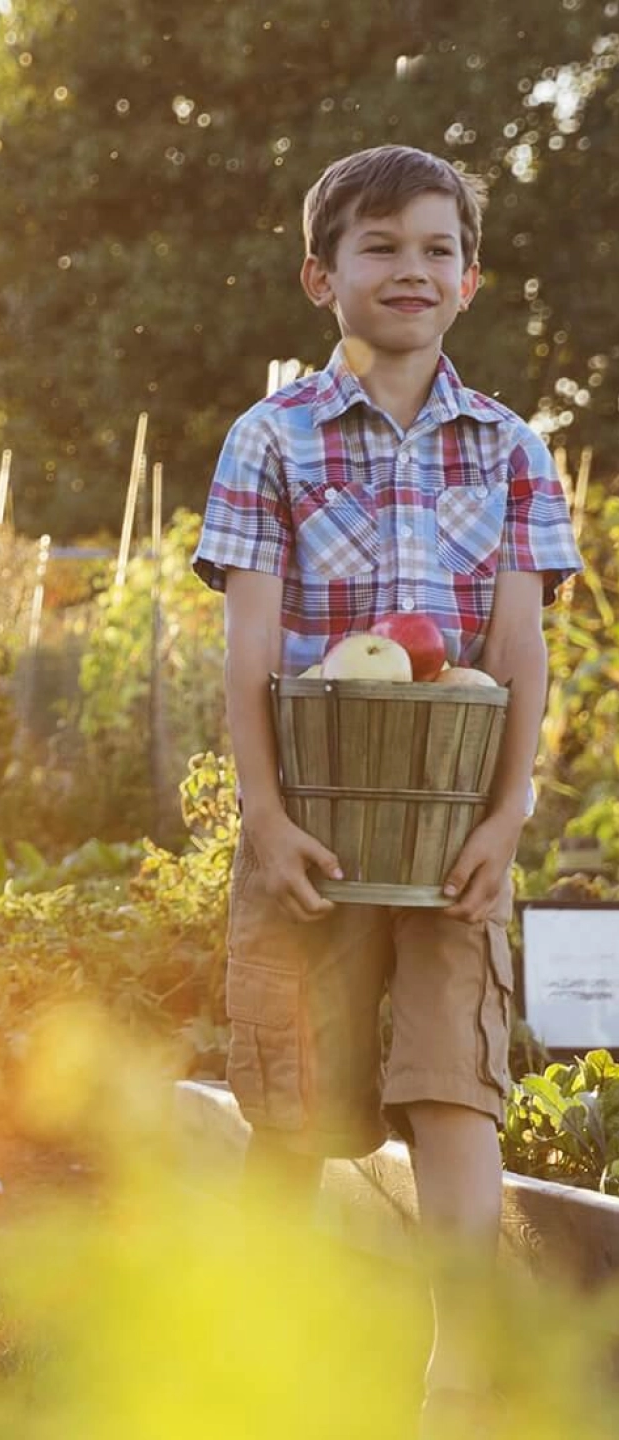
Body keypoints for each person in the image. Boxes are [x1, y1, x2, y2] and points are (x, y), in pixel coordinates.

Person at [191, 144, 578, 1434]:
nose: (410, 269)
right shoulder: (271, 438)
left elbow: (516, 650)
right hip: (311, 822)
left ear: (468, 279)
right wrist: (264, 816)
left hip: (455, 827)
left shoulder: (508, 448)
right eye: (379, 246)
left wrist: (507, 817)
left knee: (453, 1085)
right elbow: (249, 648)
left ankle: (455, 1377)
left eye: (434, 249)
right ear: (321, 275)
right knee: (289, 1098)